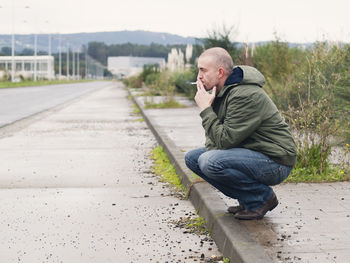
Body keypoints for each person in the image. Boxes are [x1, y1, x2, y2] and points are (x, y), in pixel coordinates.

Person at [185, 47, 297, 220]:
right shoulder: (223, 92)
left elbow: (224, 141)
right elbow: (214, 143)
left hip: (276, 161)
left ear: (220, 72)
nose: (199, 76)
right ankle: (249, 200)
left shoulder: (244, 94)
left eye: (203, 70)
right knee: (193, 158)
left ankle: (262, 198)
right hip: (253, 152)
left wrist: (206, 109)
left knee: (210, 161)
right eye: (199, 70)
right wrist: (211, 105)